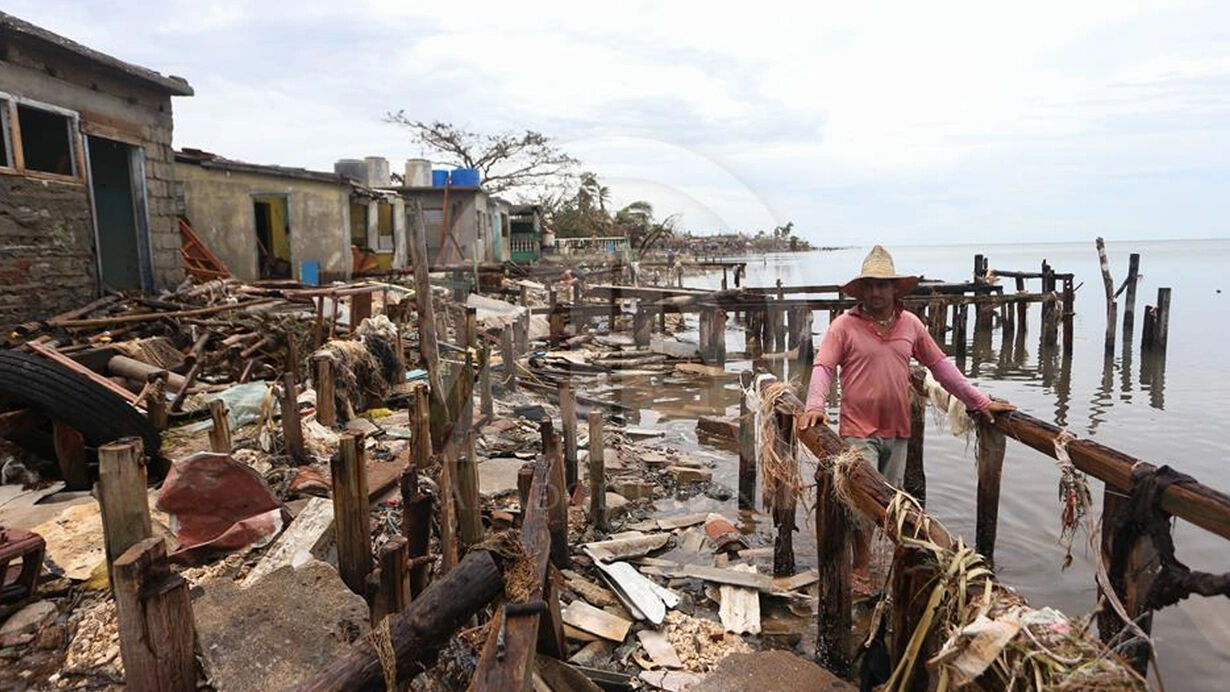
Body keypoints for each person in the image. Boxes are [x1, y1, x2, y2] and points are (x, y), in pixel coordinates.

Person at [796, 245, 1015, 592]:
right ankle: (862, 566)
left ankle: (895, 564)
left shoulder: (910, 325)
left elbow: (940, 366)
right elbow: (823, 367)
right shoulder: (843, 326)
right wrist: (815, 406)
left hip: (897, 430)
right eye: (869, 285)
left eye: (883, 285)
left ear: (895, 289)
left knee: (889, 499)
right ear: (860, 290)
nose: (876, 292)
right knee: (860, 501)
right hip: (857, 428)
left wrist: (978, 401)